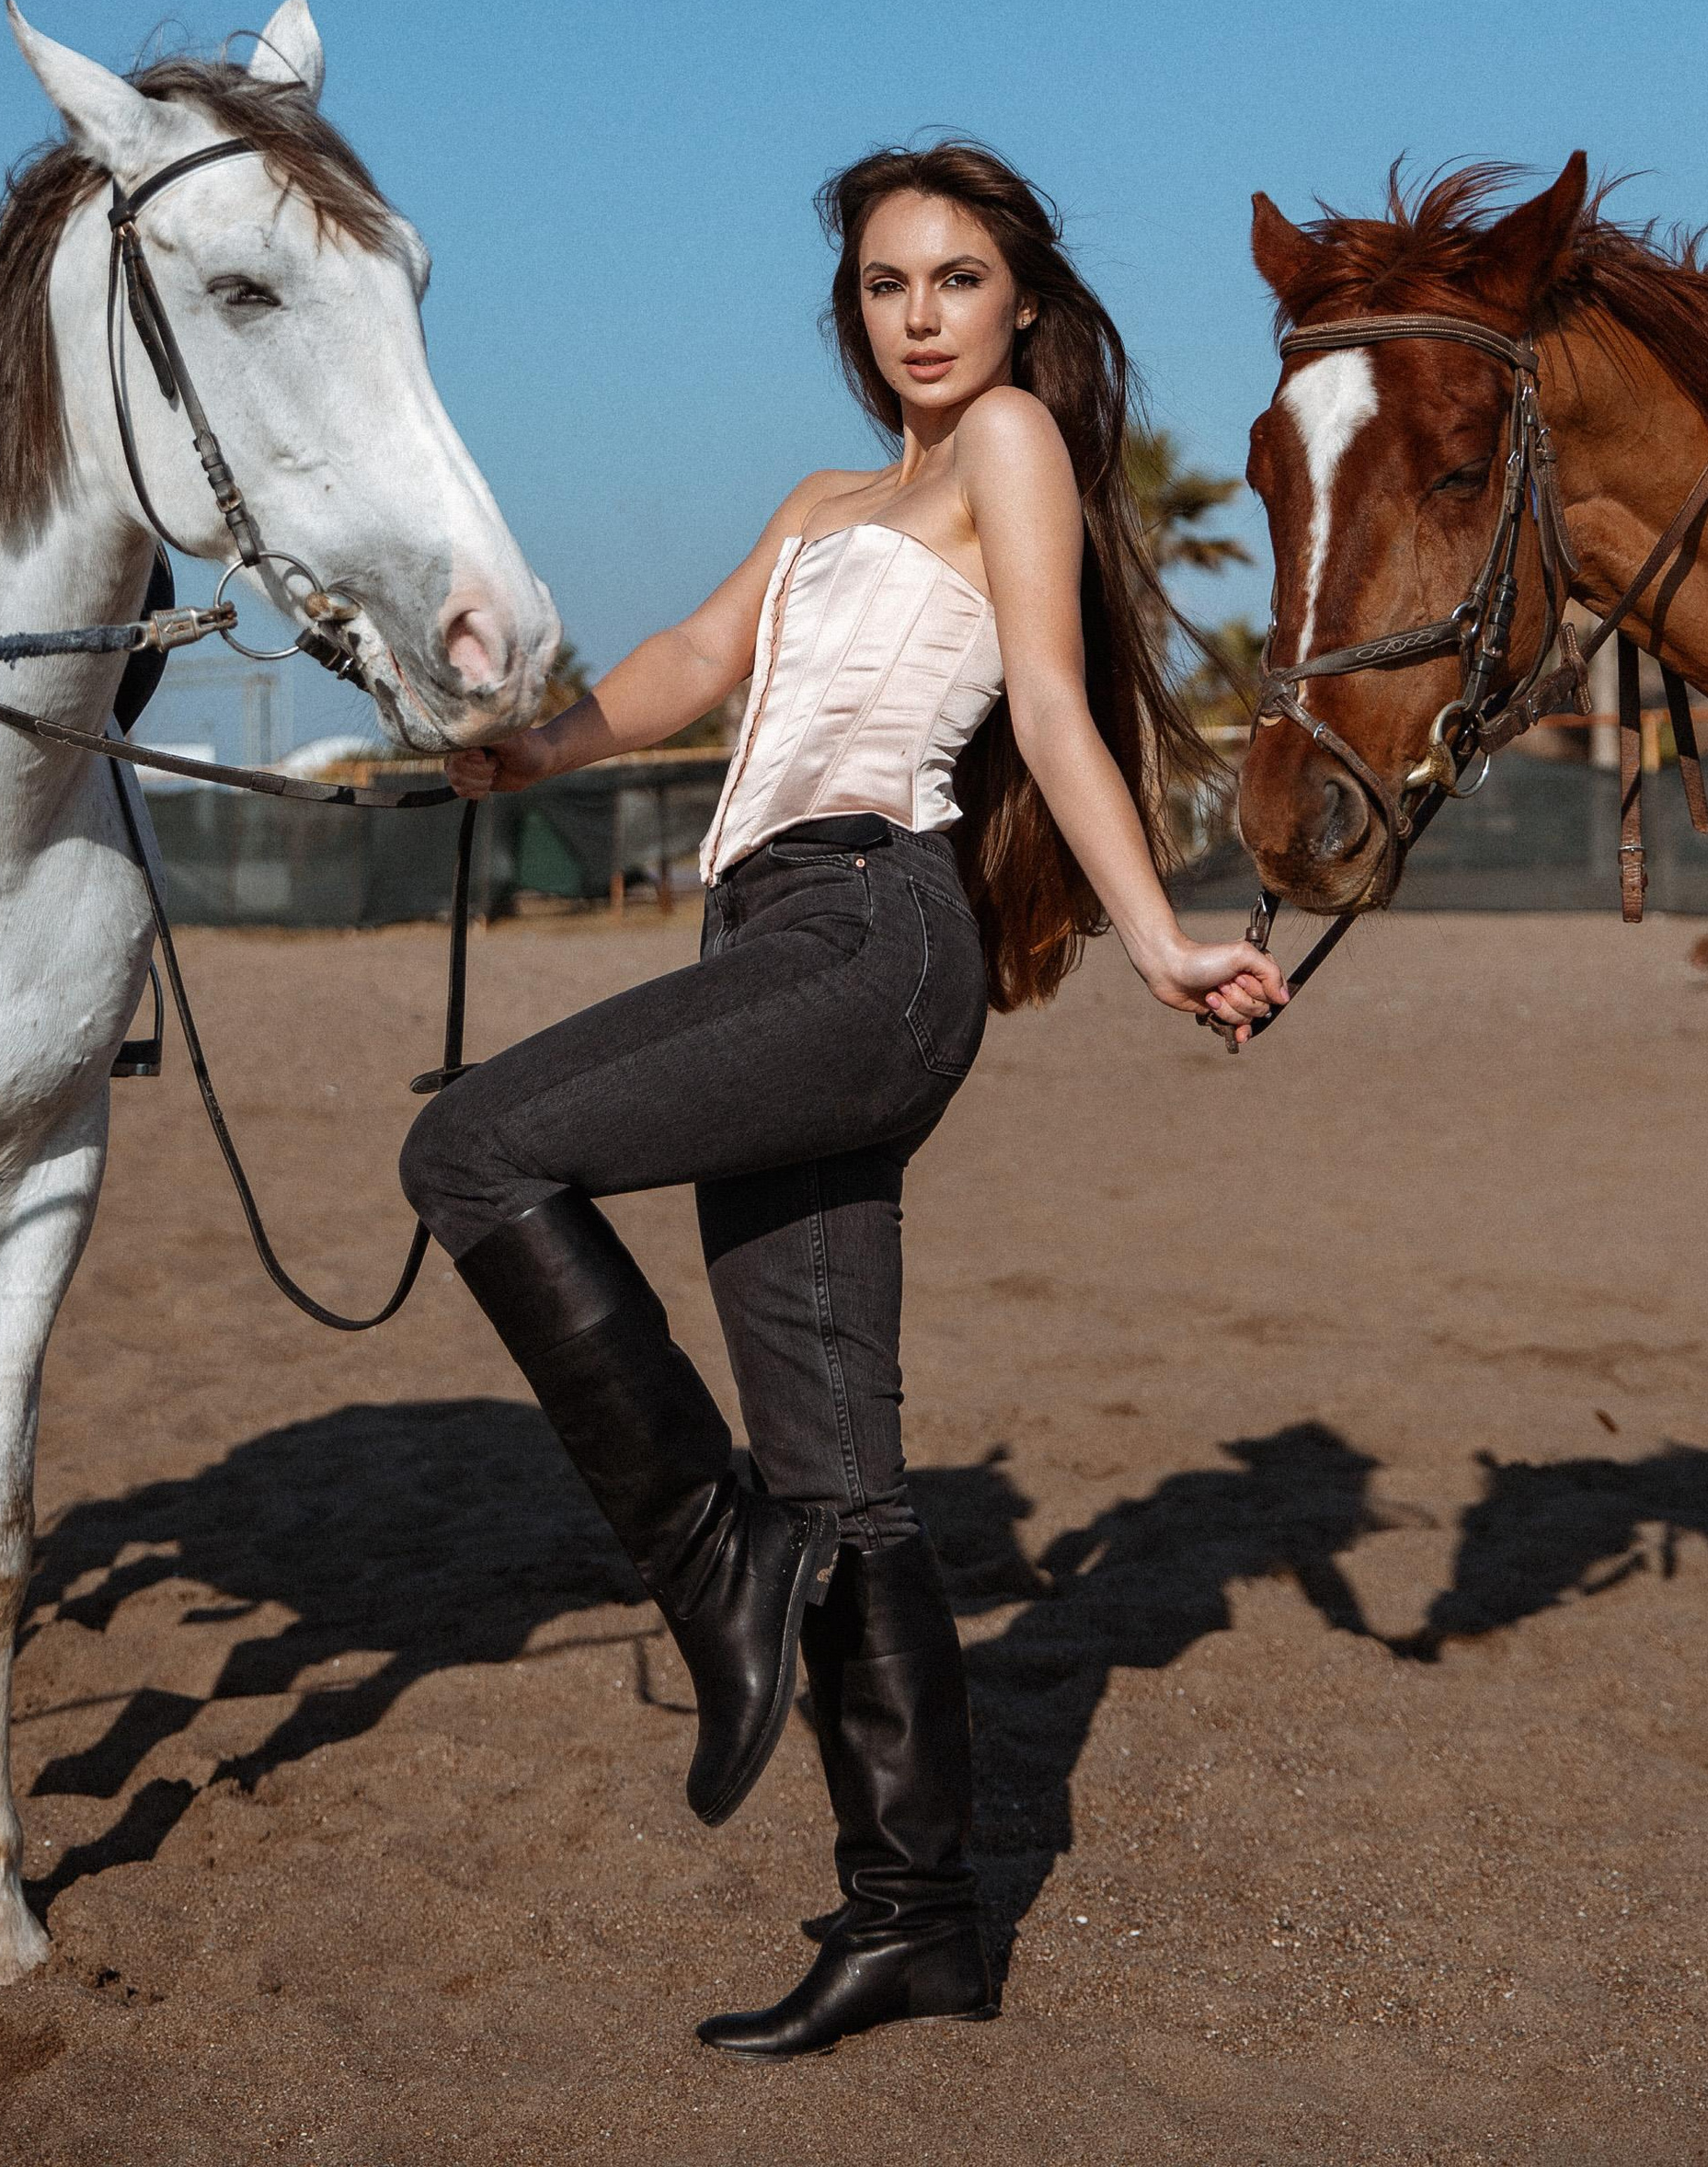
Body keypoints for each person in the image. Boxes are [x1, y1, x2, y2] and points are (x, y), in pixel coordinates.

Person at [399, 143, 1287, 2058]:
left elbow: (1046, 704)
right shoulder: (826, 493)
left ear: (1019, 300)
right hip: (767, 943)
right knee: (845, 1477)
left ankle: (710, 1558)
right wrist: (516, 758)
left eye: (955, 279)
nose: (917, 315)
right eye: (888, 285)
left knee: (470, 1143)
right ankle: (916, 1919)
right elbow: (690, 669)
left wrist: (1154, 939)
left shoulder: (1011, 458)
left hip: (871, 936)